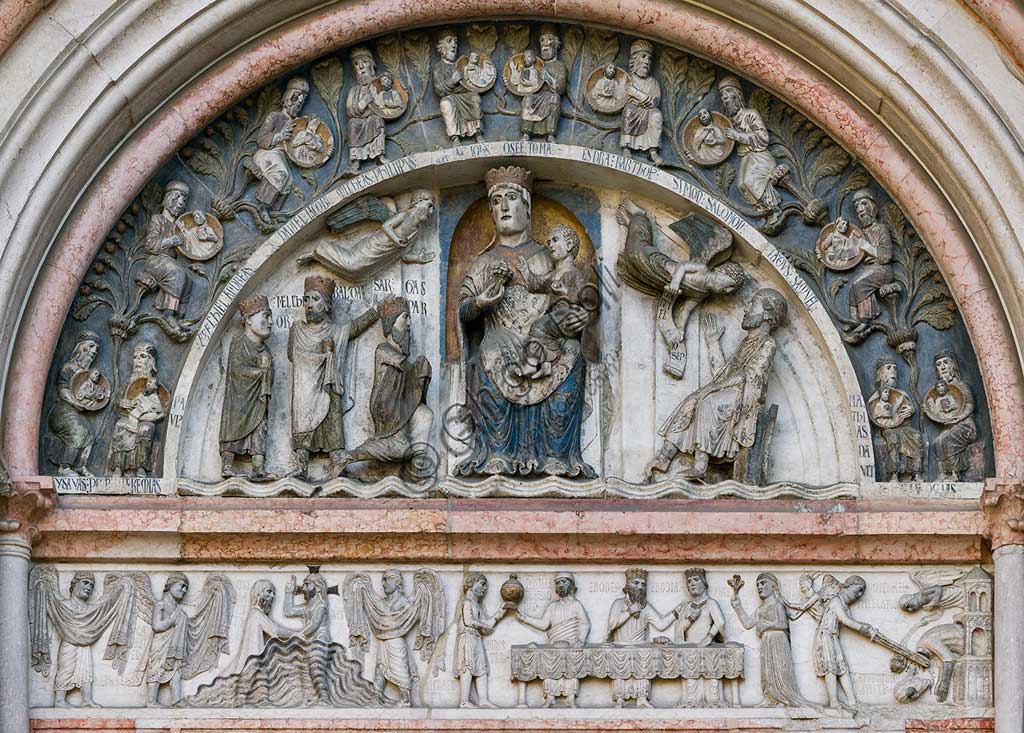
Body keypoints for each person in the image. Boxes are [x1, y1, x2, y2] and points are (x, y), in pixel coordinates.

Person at [455, 166, 595, 478]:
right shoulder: (484, 262)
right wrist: (480, 302)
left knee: (572, 354)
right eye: (497, 201)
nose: (504, 206)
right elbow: (463, 313)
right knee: (487, 354)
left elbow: (575, 300)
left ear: (526, 206)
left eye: (511, 198)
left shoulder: (552, 259)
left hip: (545, 341)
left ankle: (556, 457)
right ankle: (498, 454)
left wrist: (578, 320)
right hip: (500, 338)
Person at [645, 288, 787, 481]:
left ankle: (701, 465)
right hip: (730, 393)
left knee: (708, 402)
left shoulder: (767, 343)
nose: (746, 308)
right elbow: (722, 374)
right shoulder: (745, 343)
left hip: (745, 401)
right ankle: (664, 457)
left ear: (767, 314)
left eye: (753, 303)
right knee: (692, 400)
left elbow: (752, 375)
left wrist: (716, 388)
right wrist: (713, 343)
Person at [288, 275, 380, 479]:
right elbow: (290, 355)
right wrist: (320, 356)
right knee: (303, 423)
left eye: (315, 299)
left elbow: (355, 327)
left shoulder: (337, 331)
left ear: (328, 305)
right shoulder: (297, 330)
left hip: (329, 386)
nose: (309, 305)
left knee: (333, 421)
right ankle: (301, 466)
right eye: (306, 299)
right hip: (304, 388)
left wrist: (376, 311)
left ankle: (338, 462)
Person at [333, 297, 433, 480]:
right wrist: (418, 367)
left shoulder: (399, 355)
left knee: (425, 413)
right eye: (405, 318)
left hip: (400, 406)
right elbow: (402, 364)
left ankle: (418, 467)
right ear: (391, 324)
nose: (409, 323)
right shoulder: (383, 350)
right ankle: (348, 457)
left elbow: (412, 380)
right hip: (387, 410)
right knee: (396, 448)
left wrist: (422, 373)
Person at [300, 190, 436, 281]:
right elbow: (386, 226)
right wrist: (396, 239)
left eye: (433, 208)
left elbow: (403, 255)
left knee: (355, 274)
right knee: (351, 264)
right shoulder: (404, 216)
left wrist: (418, 258)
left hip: (380, 257)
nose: (431, 211)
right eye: (429, 205)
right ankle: (319, 249)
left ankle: (318, 256)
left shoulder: (416, 232)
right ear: (418, 201)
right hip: (373, 246)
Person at [516, 225, 589, 379]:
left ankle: (530, 365)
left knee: (538, 326)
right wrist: (525, 271)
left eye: (555, 240)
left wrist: (564, 291)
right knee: (544, 333)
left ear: (569, 245)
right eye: (549, 243)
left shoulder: (574, 273)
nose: (550, 245)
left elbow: (584, 297)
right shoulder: (553, 274)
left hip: (570, 316)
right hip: (556, 317)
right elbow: (535, 283)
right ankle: (546, 366)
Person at [731, 573, 812, 707]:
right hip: (767, 642)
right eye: (757, 585)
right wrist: (737, 607)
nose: (759, 587)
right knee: (767, 672)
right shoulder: (760, 609)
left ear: (773, 585)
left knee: (781, 671)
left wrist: (766, 625)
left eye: (763, 583)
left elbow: (784, 625)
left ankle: (784, 698)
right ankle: (770, 699)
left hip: (778, 641)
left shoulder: (778, 605)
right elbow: (747, 623)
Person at [515, 572, 591, 707]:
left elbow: (584, 623)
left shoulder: (576, 605)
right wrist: (524, 618)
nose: (560, 585)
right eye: (558, 582)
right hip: (554, 645)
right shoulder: (552, 606)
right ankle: (550, 698)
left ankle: (570, 697)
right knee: (548, 664)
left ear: (571, 585)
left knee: (572, 664)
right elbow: (544, 624)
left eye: (564, 581)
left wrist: (581, 640)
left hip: (571, 645)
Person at [220, 295, 274, 479]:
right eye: (265, 316)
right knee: (233, 425)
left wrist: (267, 370)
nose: (270, 322)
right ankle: (227, 465)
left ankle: (258, 467)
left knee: (260, 425)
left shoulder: (265, 350)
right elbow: (236, 369)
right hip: (239, 398)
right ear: (249, 319)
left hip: (258, 397)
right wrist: (261, 371)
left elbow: (269, 376)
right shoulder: (239, 341)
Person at [604, 568, 676, 708]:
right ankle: (620, 699)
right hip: (620, 645)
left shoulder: (645, 607)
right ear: (627, 587)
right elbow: (612, 624)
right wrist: (630, 611)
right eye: (636, 583)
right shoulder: (618, 604)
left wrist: (676, 612)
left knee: (644, 662)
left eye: (643, 584)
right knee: (619, 664)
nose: (640, 587)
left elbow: (661, 624)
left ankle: (642, 698)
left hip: (641, 646)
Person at [718, 76, 787, 220]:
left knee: (750, 182)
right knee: (742, 185)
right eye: (722, 96)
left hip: (759, 156)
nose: (724, 99)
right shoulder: (728, 121)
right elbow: (721, 144)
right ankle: (764, 211)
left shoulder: (750, 114)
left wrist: (738, 136)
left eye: (727, 95)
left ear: (737, 96)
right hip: (745, 157)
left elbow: (762, 137)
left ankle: (774, 209)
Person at [136, 181, 192, 333]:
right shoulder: (158, 219)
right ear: (169, 199)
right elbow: (151, 244)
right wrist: (171, 240)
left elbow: (186, 249)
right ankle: (169, 314)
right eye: (178, 198)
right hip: (156, 260)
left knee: (188, 280)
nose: (181, 204)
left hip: (169, 261)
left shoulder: (178, 225)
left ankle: (180, 316)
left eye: (184, 201)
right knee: (177, 274)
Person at [46, 331, 101, 476]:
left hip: (75, 412)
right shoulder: (69, 367)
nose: (94, 351)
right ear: (81, 347)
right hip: (62, 411)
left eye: (96, 348)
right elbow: (62, 389)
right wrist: (74, 402)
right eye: (91, 346)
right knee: (79, 432)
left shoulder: (88, 374)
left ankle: (80, 466)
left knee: (90, 435)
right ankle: (64, 467)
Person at [251, 77, 308, 217]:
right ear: (287, 98)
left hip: (280, 156)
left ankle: (273, 211)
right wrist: (280, 136)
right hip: (266, 153)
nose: (299, 102)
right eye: (296, 97)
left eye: (302, 100)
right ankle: (262, 206)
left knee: (289, 182)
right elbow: (262, 139)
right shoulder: (275, 116)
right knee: (281, 173)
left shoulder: (297, 123)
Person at [674, 568, 731, 707]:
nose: (692, 583)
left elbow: (720, 622)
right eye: (689, 581)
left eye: (696, 580)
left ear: (704, 584)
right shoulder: (687, 607)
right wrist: (690, 619)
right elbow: (679, 630)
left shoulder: (710, 603)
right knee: (691, 682)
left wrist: (709, 637)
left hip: (707, 648)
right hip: (691, 648)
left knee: (712, 679)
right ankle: (691, 704)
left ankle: (713, 703)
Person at [109, 343, 165, 478]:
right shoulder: (128, 383)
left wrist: (152, 413)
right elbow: (118, 401)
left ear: (151, 362)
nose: (137, 360)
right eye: (135, 357)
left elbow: (160, 406)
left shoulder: (154, 384)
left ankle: (141, 467)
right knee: (121, 426)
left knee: (145, 429)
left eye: (142, 356)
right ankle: (118, 466)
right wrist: (122, 403)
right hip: (128, 416)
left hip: (146, 418)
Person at [848, 188, 900, 332]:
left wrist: (866, 247)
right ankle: (854, 320)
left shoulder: (881, 229)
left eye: (864, 204)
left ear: (872, 206)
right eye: (857, 207)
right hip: (871, 269)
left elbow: (886, 256)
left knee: (859, 284)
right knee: (853, 286)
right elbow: (852, 251)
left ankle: (865, 319)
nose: (860, 209)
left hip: (883, 270)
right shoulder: (861, 232)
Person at [455, 572, 507, 708]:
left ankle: (483, 700)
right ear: (471, 584)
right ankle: (464, 701)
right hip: (467, 637)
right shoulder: (467, 602)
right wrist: (483, 626)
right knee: (468, 666)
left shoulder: (477, 605)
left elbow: (486, 624)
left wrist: (500, 613)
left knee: (481, 668)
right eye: (482, 585)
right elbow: (469, 621)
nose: (484, 589)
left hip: (476, 638)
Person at [868, 357, 923, 481]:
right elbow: (874, 414)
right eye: (888, 368)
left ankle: (916, 473)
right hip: (888, 429)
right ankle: (894, 474)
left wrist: (911, 410)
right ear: (880, 374)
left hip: (904, 428)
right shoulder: (876, 396)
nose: (893, 371)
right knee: (893, 438)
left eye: (895, 369)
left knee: (916, 436)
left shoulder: (901, 394)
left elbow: (910, 406)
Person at [225, 580, 293, 676]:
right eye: (269, 592)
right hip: (254, 665)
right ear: (258, 593)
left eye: (273, 593)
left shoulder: (256, 613)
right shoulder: (256, 613)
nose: (272, 596)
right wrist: (296, 633)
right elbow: (276, 630)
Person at [928, 351, 978, 480]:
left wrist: (958, 418)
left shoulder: (961, 386)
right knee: (938, 442)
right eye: (939, 365)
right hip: (952, 426)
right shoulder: (939, 394)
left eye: (946, 362)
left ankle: (955, 474)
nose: (943, 367)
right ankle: (942, 474)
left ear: (953, 365)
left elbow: (969, 405)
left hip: (966, 426)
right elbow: (939, 412)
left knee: (948, 439)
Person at [433, 29, 484, 144]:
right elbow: (439, 89)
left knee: (474, 98)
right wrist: (452, 81)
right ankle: (455, 137)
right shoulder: (438, 67)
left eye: (455, 41)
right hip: (451, 97)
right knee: (445, 103)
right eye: (449, 41)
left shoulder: (461, 64)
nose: (454, 45)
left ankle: (477, 133)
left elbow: (471, 81)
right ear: (441, 47)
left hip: (465, 95)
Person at [519, 27, 568, 143]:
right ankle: (527, 132)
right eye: (543, 47)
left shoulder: (560, 65)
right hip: (536, 94)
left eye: (548, 47)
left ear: (555, 47)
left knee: (554, 99)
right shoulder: (537, 64)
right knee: (528, 99)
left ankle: (551, 134)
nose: (545, 49)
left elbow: (561, 88)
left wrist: (548, 77)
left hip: (550, 94)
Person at [620, 40, 663, 165]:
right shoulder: (628, 78)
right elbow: (623, 97)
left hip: (648, 111)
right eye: (643, 57)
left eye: (649, 59)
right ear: (634, 59)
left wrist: (638, 95)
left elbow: (655, 101)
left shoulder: (653, 82)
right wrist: (641, 99)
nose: (646, 61)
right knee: (629, 110)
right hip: (633, 109)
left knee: (657, 115)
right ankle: (627, 146)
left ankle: (653, 150)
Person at [346, 47, 386, 174]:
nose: (361, 67)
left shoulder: (379, 85)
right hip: (359, 120)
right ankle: (356, 162)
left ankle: (380, 156)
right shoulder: (354, 90)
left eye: (364, 62)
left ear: (372, 65)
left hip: (373, 117)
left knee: (376, 120)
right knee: (353, 124)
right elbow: (350, 110)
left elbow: (386, 104)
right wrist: (364, 102)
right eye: (357, 64)